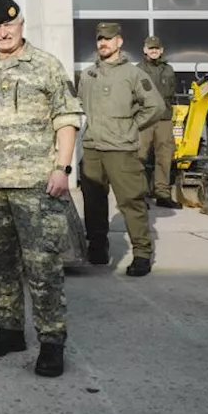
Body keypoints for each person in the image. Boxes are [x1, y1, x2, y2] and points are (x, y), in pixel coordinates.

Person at [0, 0, 83, 378]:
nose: (2, 32)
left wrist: (63, 167)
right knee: (0, 263)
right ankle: (9, 329)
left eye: (8, 26)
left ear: (20, 24)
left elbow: (67, 117)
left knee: (43, 265)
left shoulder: (46, 66)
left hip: (37, 184)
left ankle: (51, 341)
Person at [77, 22, 165, 277]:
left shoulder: (133, 74)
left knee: (131, 201)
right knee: (93, 202)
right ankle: (98, 248)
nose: (103, 43)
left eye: (108, 38)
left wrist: (132, 127)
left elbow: (156, 107)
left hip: (121, 150)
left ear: (119, 41)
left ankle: (142, 254)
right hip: (93, 147)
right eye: (99, 39)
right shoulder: (87, 75)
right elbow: (80, 104)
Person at [136, 36, 181, 209]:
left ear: (161, 50)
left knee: (165, 156)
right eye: (150, 48)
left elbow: (171, 93)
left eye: (156, 48)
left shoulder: (168, 69)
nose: (154, 51)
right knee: (140, 156)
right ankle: (140, 196)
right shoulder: (138, 70)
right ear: (145, 50)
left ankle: (162, 193)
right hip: (145, 118)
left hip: (164, 119)